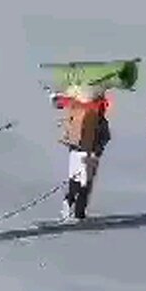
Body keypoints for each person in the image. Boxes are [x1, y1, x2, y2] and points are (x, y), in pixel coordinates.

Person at [49, 86, 113, 221]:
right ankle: (77, 211)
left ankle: (69, 206)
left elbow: (66, 126)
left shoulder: (76, 110)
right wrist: (98, 149)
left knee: (75, 181)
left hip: (75, 150)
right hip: (89, 153)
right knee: (85, 183)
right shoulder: (95, 116)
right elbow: (105, 136)